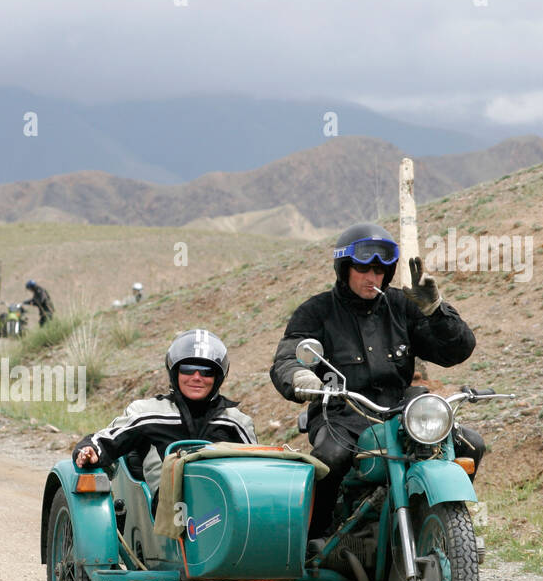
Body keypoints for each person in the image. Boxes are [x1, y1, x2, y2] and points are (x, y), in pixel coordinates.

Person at [270, 222, 483, 539]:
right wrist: (301, 377)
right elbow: (288, 357)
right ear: (345, 268)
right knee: (329, 460)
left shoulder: (403, 306)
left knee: (470, 444)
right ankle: (316, 538)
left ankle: (436, 520)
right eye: (363, 268)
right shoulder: (316, 312)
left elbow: (456, 351)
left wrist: (437, 311)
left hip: (400, 413)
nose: (372, 277)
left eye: (380, 270)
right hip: (341, 413)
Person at [74, 330, 256, 501]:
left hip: (224, 508)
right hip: (165, 513)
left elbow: (256, 472)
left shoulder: (236, 421)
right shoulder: (146, 413)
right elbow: (104, 441)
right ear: (175, 372)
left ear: (218, 377)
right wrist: (90, 451)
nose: (197, 377)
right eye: (188, 369)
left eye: (207, 372)